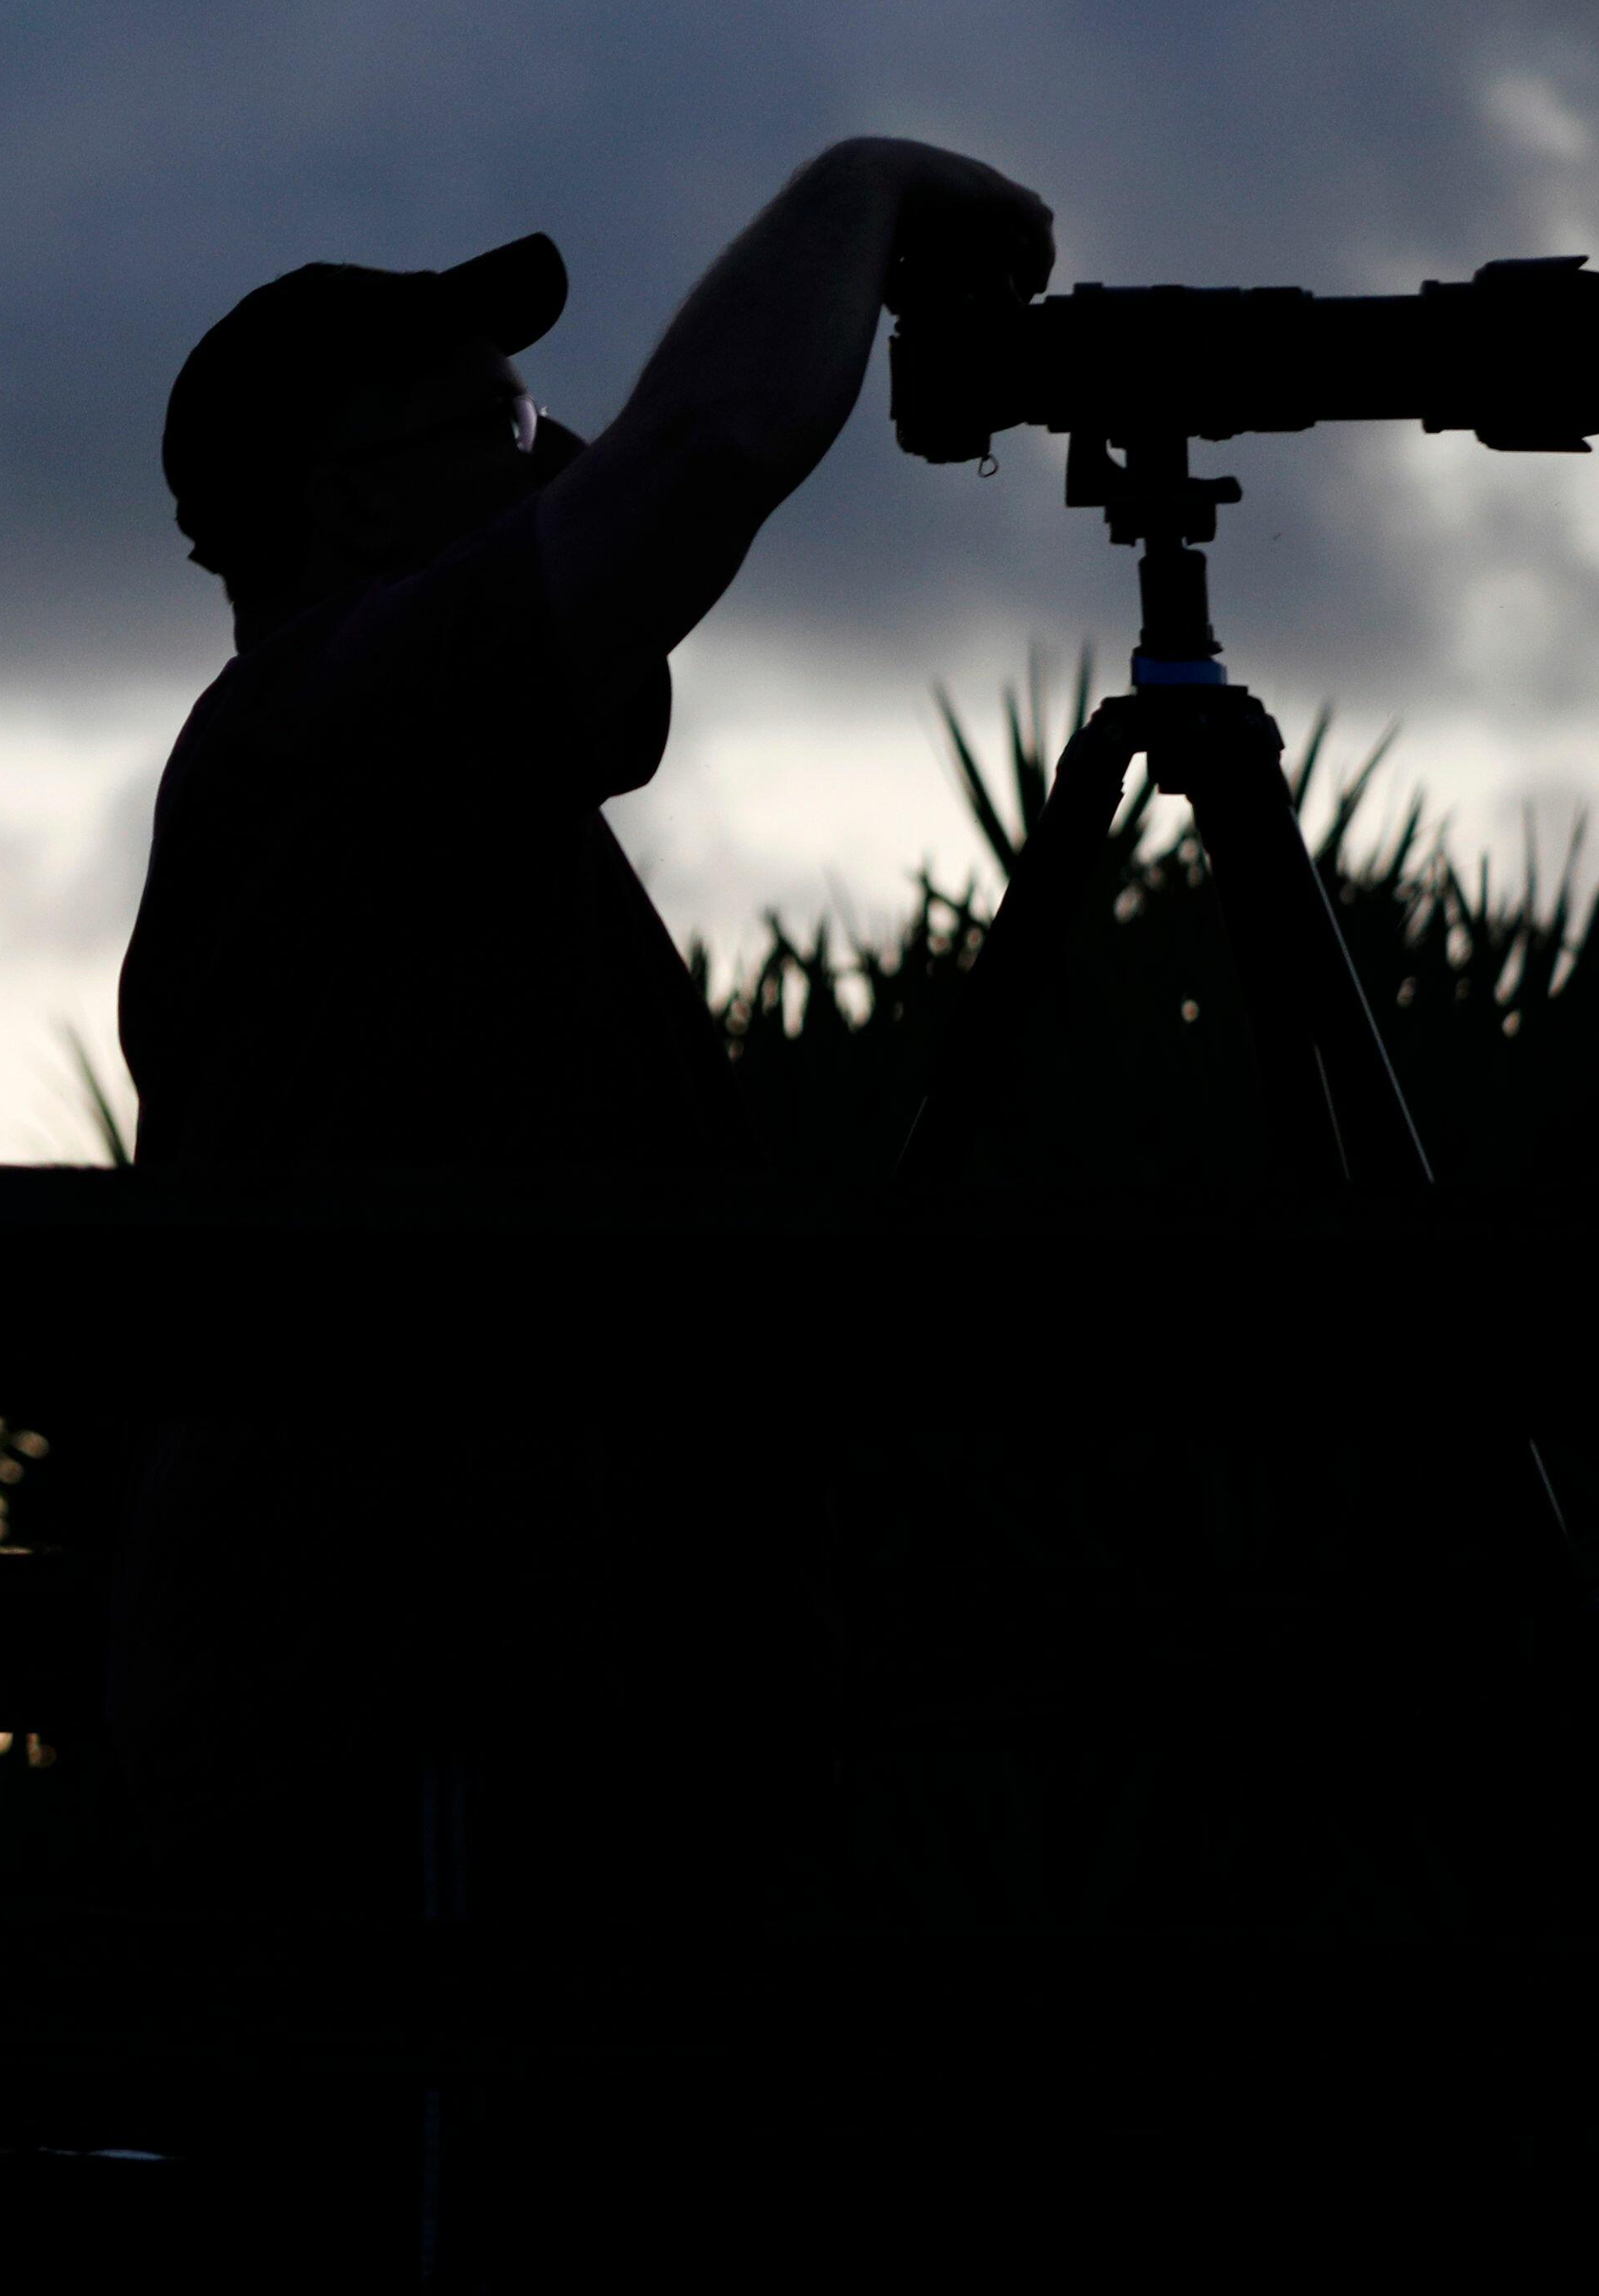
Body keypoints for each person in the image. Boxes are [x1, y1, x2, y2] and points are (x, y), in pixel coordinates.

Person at [109, 135, 1053, 1889]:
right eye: (503, 425)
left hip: (486, 1697)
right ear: (356, 502)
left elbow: (649, 528)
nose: (554, 461)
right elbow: (701, 461)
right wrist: (861, 189)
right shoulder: (330, 727)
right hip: (408, 1724)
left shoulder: (424, 768)